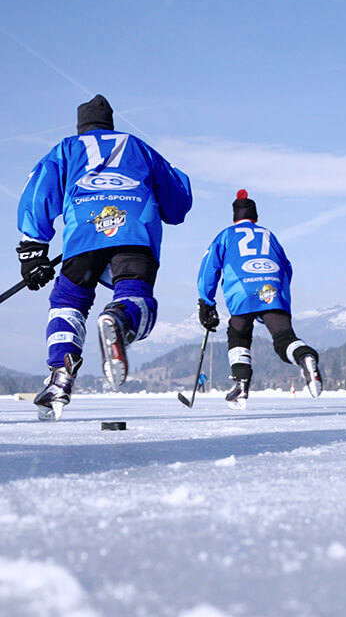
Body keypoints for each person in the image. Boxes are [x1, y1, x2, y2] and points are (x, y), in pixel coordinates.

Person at [17, 94, 192, 419]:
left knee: (68, 300)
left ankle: (60, 374)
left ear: (81, 125)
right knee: (135, 294)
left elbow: (39, 189)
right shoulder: (138, 147)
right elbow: (178, 201)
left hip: (85, 232)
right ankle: (120, 318)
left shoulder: (67, 149)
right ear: (110, 123)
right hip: (136, 231)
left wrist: (33, 248)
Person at [197, 190, 322, 407]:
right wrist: (277, 297)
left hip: (242, 290)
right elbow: (287, 267)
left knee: (239, 335)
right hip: (272, 288)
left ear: (235, 216)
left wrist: (206, 301)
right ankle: (304, 356)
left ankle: (241, 383)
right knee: (284, 338)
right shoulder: (269, 235)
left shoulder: (226, 235)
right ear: (255, 216)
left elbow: (209, 270)